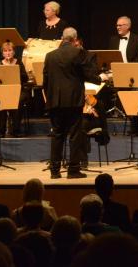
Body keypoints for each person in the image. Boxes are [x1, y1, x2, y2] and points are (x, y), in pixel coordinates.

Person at [43, 28, 105, 178]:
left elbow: (45, 81)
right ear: (75, 39)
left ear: (62, 38)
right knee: (75, 135)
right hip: (73, 101)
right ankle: (73, 170)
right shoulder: (78, 53)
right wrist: (100, 78)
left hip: (55, 102)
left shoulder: (49, 56)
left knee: (57, 135)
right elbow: (88, 74)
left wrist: (50, 99)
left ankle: (55, 171)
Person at [0, 41, 31, 136]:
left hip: (19, 90)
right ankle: (1, 131)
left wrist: (14, 70)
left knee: (18, 101)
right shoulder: (0, 64)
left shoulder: (19, 62)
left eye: (10, 50)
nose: (8, 53)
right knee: (1, 102)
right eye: (5, 51)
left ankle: (16, 130)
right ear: (2, 53)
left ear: (14, 52)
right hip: (5, 91)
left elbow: (25, 78)